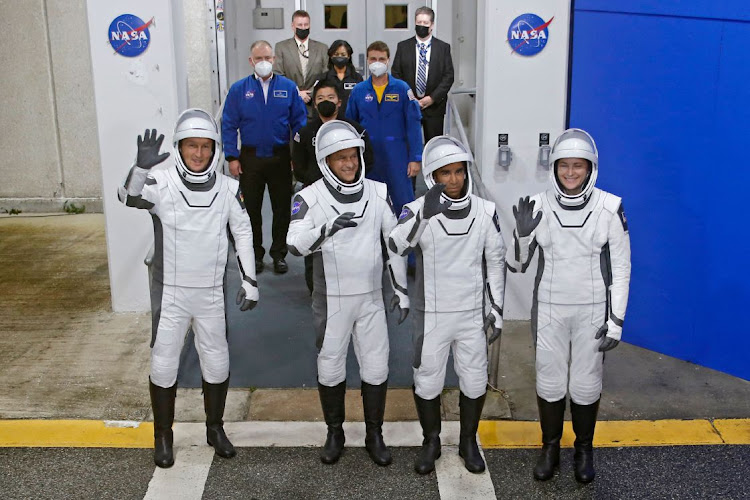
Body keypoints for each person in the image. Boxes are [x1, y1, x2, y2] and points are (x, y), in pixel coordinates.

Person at [117, 109, 259, 468]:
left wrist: (250, 280)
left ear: (215, 149)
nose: (199, 154)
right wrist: (140, 169)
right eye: (191, 146)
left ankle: (215, 428)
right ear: (180, 147)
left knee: (217, 361)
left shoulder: (229, 187)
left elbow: (242, 231)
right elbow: (127, 198)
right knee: (163, 365)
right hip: (173, 295)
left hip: (211, 293)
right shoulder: (161, 184)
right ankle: (163, 436)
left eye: (206, 147)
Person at [506, 129, 631, 483]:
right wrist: (522, 234)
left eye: (579, 166)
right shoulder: (537, 204)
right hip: (549, 309)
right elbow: (517, 265)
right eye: (565, 166)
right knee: (549, 381)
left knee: (586, 383)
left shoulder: (610, 207)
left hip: (592, 311)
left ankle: (584, 449)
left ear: (591, 168)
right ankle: (550, 447)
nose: (571, 173)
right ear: (555, 167)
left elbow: (621, 269)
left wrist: (616, 320)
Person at [287, 120, 410, 467]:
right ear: (326, 161)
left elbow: (395, 244)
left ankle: (375, 433)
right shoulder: (308, 197)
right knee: (330, 367)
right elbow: (293, 245)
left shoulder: (377, 191)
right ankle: (335, 431)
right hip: (332, 301)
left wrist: (401, 289)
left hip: (371, 297)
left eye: (353, 156)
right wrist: (324, 231)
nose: (349, 164)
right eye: (340, 158)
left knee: (376, 367)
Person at [388, 136, 506, 475]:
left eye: (458, 172)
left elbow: (495, 263)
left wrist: (495, 310)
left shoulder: (485, 211)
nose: (453, 180)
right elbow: (396, 246)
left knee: (473, 380)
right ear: (432, 177)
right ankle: (431, 440)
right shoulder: (416, 210)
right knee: (427, 380)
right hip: (432, 316)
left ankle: (468, 440)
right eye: (445, 174)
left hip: (471, 314)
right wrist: (423, 214)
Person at [222, 40, 306, 275]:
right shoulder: (239, 90)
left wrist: (296, 157)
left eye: (267, 58)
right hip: (250, 158)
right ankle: (255, 254)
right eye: (258, 59)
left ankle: (279, 254)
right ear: (251, 61)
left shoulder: (288, 88)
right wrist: (231, 156)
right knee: (251, 210)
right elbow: (228, 124)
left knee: (281, 209)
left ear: (274, 60)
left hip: (280, 158)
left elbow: (299, 125)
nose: (263, 63)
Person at [291, 80, 375, 293]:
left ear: (339, 102)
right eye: (319, 98)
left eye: (330, 98)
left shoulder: (355, 130)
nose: (325, 102)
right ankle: (316, 290)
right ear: (314, 104)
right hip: (316, 198)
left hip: (350, 196)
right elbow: (298, 166)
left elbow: (368, 160)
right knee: (316, 243)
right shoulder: (305, 132)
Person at [345, 41, 423, 226]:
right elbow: (350, 126)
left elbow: (413, 125)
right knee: (370, 206)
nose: (377, 62)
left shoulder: (403, 89)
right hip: (368, 158)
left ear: (388, 61)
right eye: (373, 58)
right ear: (367, 61)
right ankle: (375, 251)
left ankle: (407, 251)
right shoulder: (358, 91)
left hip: (397, 156)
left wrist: (415, 158)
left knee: (403, 204)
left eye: (381, 59)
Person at [392, 6, 455, 146]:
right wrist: (409, 97)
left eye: (425, 23)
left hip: (434, 107)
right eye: (418, 23)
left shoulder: (443, 48)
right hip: (408, 105)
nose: (421, 26)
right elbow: (396, 73)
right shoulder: (403, 47)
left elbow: (448, 76)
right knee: (407, 144)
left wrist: (432, 98)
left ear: (431, 25)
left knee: (433, 146)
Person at [273, 10, 329, 117]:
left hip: (315, 106)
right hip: (290, 106)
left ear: (310, 25)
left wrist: (310, 93)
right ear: (293, 26)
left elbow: (326, 75)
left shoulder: (322, 48)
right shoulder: (281, 47)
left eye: (306, 24)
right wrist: (297, 93)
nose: (303, 28)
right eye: (299, 25)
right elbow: (278, 75)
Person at [316, 40, 363, 118]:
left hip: (351, 121)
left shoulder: (357, 78)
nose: (340, 57)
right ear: (331, 56)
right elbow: (316, 103)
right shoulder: (323, 78)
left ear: (348, 56)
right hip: (329, 120)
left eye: (343, 54)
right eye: (336, 54)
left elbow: (361, 102)